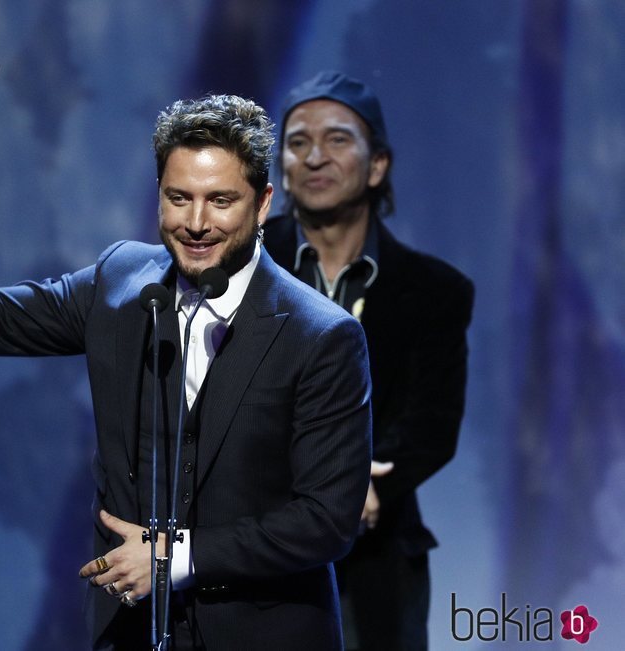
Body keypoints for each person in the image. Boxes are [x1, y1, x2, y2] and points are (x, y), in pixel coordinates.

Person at [0, 94, 372, 650]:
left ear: (262, 204)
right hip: (128, 631)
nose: (196, 223)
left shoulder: (321, 336)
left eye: (220, 201)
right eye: (178, 198)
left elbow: (326, 521)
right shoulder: (121, 282)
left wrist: (176, 557)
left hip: (263, 632)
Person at [262, 71, 475, 650]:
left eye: (336, 139)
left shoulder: (435, 290)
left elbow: (432, 427)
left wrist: (362, 486)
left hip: (376, 552)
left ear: (377, 164)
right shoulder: (237, 268)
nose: (313, 156)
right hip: (249, 548)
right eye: (297, 141)